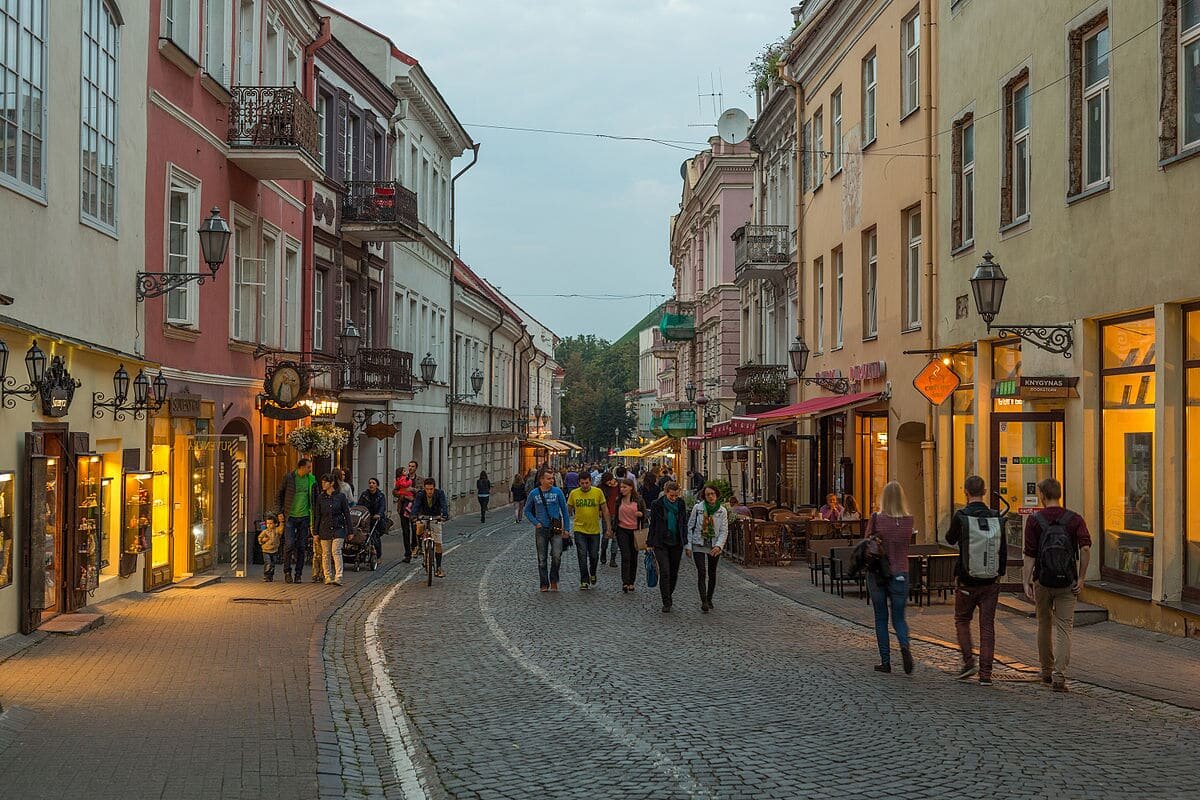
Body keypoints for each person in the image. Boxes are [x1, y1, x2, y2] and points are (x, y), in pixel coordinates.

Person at [1022, 477, 1092, 693]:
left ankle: (1046, 670)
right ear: (1059, 494)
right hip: (1067, 582)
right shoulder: (1074, 519)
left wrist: (1026, 580)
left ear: (1042, 495)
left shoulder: (1034, 521)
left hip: (1043, 581)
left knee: (1044, 624)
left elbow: (1030, 555)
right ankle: (1059, 676)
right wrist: (1081, 578)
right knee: (1064, 628)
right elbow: (1086, 548)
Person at [945, 476, 1007, 685]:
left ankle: (968, 662)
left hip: (966, 579)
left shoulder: (961, 516)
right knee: (987, 625)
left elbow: (949, 539)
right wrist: (1000, 573)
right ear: (985, 491)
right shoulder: (995, 516)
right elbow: (1003, 549)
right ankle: (986, 674)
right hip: (991, 581)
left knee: (962, 620)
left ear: (966, 492)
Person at [866, 481, 915, 675]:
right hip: (901, 572)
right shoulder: (908, 520)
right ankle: (904, 645)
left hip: (878, 574)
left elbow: (867, 540)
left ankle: (885, 661)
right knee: (899, 618)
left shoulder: (877, 518)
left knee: (880, 617)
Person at [524, 468, 571, 592]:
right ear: (541, 480)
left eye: (552, 478)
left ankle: (554, 579)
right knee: (542, 558)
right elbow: (527, 510)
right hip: (541, 529)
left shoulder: (558, 492)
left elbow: (565, 511)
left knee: (557, 555)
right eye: (549, 478)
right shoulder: (534, 493)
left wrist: (567, 529)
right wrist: (536, 523)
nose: (552, 480)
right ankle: (544, 583)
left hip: (556, 529)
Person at [687, 484, 729, 613]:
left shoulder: (722, 511)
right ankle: (703, 600)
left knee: (712, 573)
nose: (710, 496)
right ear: (704, 496)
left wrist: (719, 546)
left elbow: (723, 530)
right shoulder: (698, 508)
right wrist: (688, 546)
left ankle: (710, 598)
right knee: (702, 572)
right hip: (698, 543)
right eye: (708, 494)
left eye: (712, 494)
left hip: (713, 544)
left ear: (716, 495)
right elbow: (690, 526)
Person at [647, 481, 688, 613]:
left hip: (676, 542)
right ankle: (666, 601)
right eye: (671, 496)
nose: (674, 498)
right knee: (665, 571)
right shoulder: (657, 505)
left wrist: (686, 540)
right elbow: (653, 524)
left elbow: (683, 523)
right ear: (666, 493)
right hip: (661, 542)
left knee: (674, 572)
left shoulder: (681, 504)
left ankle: (669, 593)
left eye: (676, 495)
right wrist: (649, 542)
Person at [275, 458, 316, 584]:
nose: (310, 469)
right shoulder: (289, 478)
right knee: (289, 544)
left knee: (302, 546)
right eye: (308, 467)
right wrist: (279, 512)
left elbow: (315, 498)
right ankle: (287, 572)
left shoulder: (311, 479)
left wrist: (314, 518)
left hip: (304, 517)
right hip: (290, 517)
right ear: (301, 467)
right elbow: (279, 495)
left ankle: (298, 574)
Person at [567, 472, 610, 589]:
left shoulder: (598, 492)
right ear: (579, 483)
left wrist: (609, 527)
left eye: (587, 483)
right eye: (582, 483)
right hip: (579, 529)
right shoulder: (574, 494)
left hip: (594, 530)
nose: (585, 485)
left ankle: (593, 573)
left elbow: (605, 510)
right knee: (581, 555)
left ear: (590, 481)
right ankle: (584, 580)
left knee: (594, 555)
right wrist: (565, 527)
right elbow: (568, 510)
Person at [315, 473, 350, 586]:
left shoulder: (340, 497)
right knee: (326, 553)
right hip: (324, 528)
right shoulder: (321, 498)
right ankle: (328, 576)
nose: (323, 484)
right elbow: (318, 515)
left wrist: (350, 531)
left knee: (336, 551)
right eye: (322, 482)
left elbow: (346, 514)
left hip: (338, 528)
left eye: (325, 482)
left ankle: (338, 576)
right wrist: (315, 532)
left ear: (332, 483)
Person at [411, 477, 449, 578]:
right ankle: (419, 546)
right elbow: (416, 506)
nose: (429, 491)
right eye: (427, 489)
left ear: (434, 488)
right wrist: (414, 516)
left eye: (431, 489)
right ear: (424, 488)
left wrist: (444, 515)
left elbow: (444, 505)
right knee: (419, 527)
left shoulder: (440, 493)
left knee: (438, 543)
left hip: (436, 517)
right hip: (424, 516)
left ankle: (439, 568)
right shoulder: (420, 494)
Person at [613, 478, 646, 593]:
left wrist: (640, 514)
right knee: (626, 556)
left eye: (624, 487)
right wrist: (613, 529)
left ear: (631, 487)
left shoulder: (638, 500)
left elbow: (645, 516)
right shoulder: (619, 500)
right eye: (621, 487)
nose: (622, 489)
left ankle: (632, 581)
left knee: (634, 557)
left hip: (635, 531)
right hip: (622, 530)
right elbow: (615, 516)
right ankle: (625, 582)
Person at [357, 478, 387, 561]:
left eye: (373, 483)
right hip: (366, 519)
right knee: (362, 535)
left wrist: (379, 514)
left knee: (374, 535)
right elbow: (360, 506)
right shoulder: (364, 495)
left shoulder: (380, 496)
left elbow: (382, 507)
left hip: (377, 520)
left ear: (377, 485)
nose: (371, 484)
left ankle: (378, 556)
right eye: (370, 483)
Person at [393, 464, 417, 563]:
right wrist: (404, 496)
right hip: (403, 507)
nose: (410, 468)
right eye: (409, 466)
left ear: (416, 468)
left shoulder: (419, 480)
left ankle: (415, 546)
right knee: (406, 532)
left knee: (415, 529)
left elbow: (423, 492)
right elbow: (394, 491)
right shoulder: (401, 479)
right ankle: (408, 554)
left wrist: (413, 490)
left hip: (415, 509)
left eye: (412, 466)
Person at [599, 471, 621, 567]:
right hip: (606, 514)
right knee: (606, 536)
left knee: (616, 537)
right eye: (607, 483)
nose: (609, 484)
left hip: (618, 514)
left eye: (609, 481)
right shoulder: (602, 488)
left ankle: (613, 558)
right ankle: (603, 551)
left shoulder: (620, 486)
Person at [258, 515, 282, 582]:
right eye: (267, 523)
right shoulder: (265, 532)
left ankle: (270, 576)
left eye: (271, 523)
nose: (269, 525)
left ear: (275, 524)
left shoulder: (276, 531)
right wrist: (263, 540)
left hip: (274, 550)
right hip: (266, 550)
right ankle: (266, 575)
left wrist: (281, 522)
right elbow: (260, 538)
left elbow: (281, 530)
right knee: (268, 563)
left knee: (272, 564)